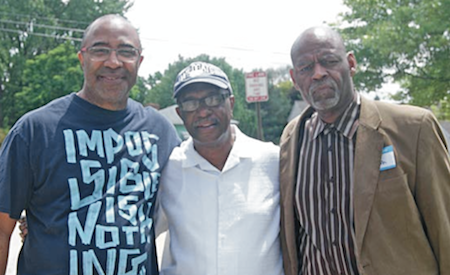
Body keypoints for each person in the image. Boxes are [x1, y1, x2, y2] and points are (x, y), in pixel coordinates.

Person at [0, 14, 180, 275]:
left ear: (139, 62)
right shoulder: (35, 130)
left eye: (126, 52)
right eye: (100, 50)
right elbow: (2, 227)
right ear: (82, 58)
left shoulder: (160, 132)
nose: (113, 62)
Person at [279, 26, 450, 275]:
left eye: (329, 61)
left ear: (350, 63)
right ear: (295, 79)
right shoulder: (291, 140)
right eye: (306, 68)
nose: (318, 74)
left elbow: (444, 228)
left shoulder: (413, 129)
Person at [154, 61, 284, 275]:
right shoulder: (169, 169)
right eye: (190, 103)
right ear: (179, 113)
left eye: (213, 99)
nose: (203, 111)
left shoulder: (272, 161)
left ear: (231, 103)